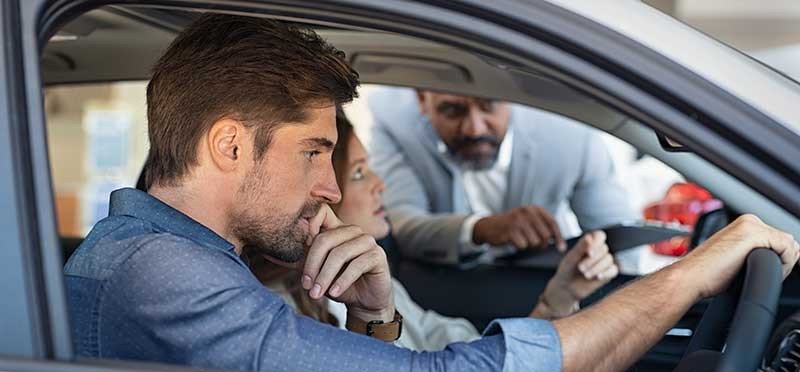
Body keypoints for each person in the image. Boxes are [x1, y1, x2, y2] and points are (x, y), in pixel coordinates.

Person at [63, 14, 800, 372]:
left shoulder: (181, 260)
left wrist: (378, 316)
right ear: (228, 146)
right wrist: (693, 273)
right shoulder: (163, 271)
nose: (329, 185)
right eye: (316, 152)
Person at [249, 111, 619, 351]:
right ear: (318, 197)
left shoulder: (375, 285)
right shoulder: (274, 316)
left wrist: (559, 298)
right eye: (360, 173)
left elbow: (470, 354)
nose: (381, 185)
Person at [365, 88, 639, 265]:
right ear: (422, 99)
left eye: (488, 105)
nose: (474, 128)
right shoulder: (393, 120)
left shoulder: (572, 134)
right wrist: (483, 229)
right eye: (453, 110)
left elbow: (619, 242)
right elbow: (405, 226)